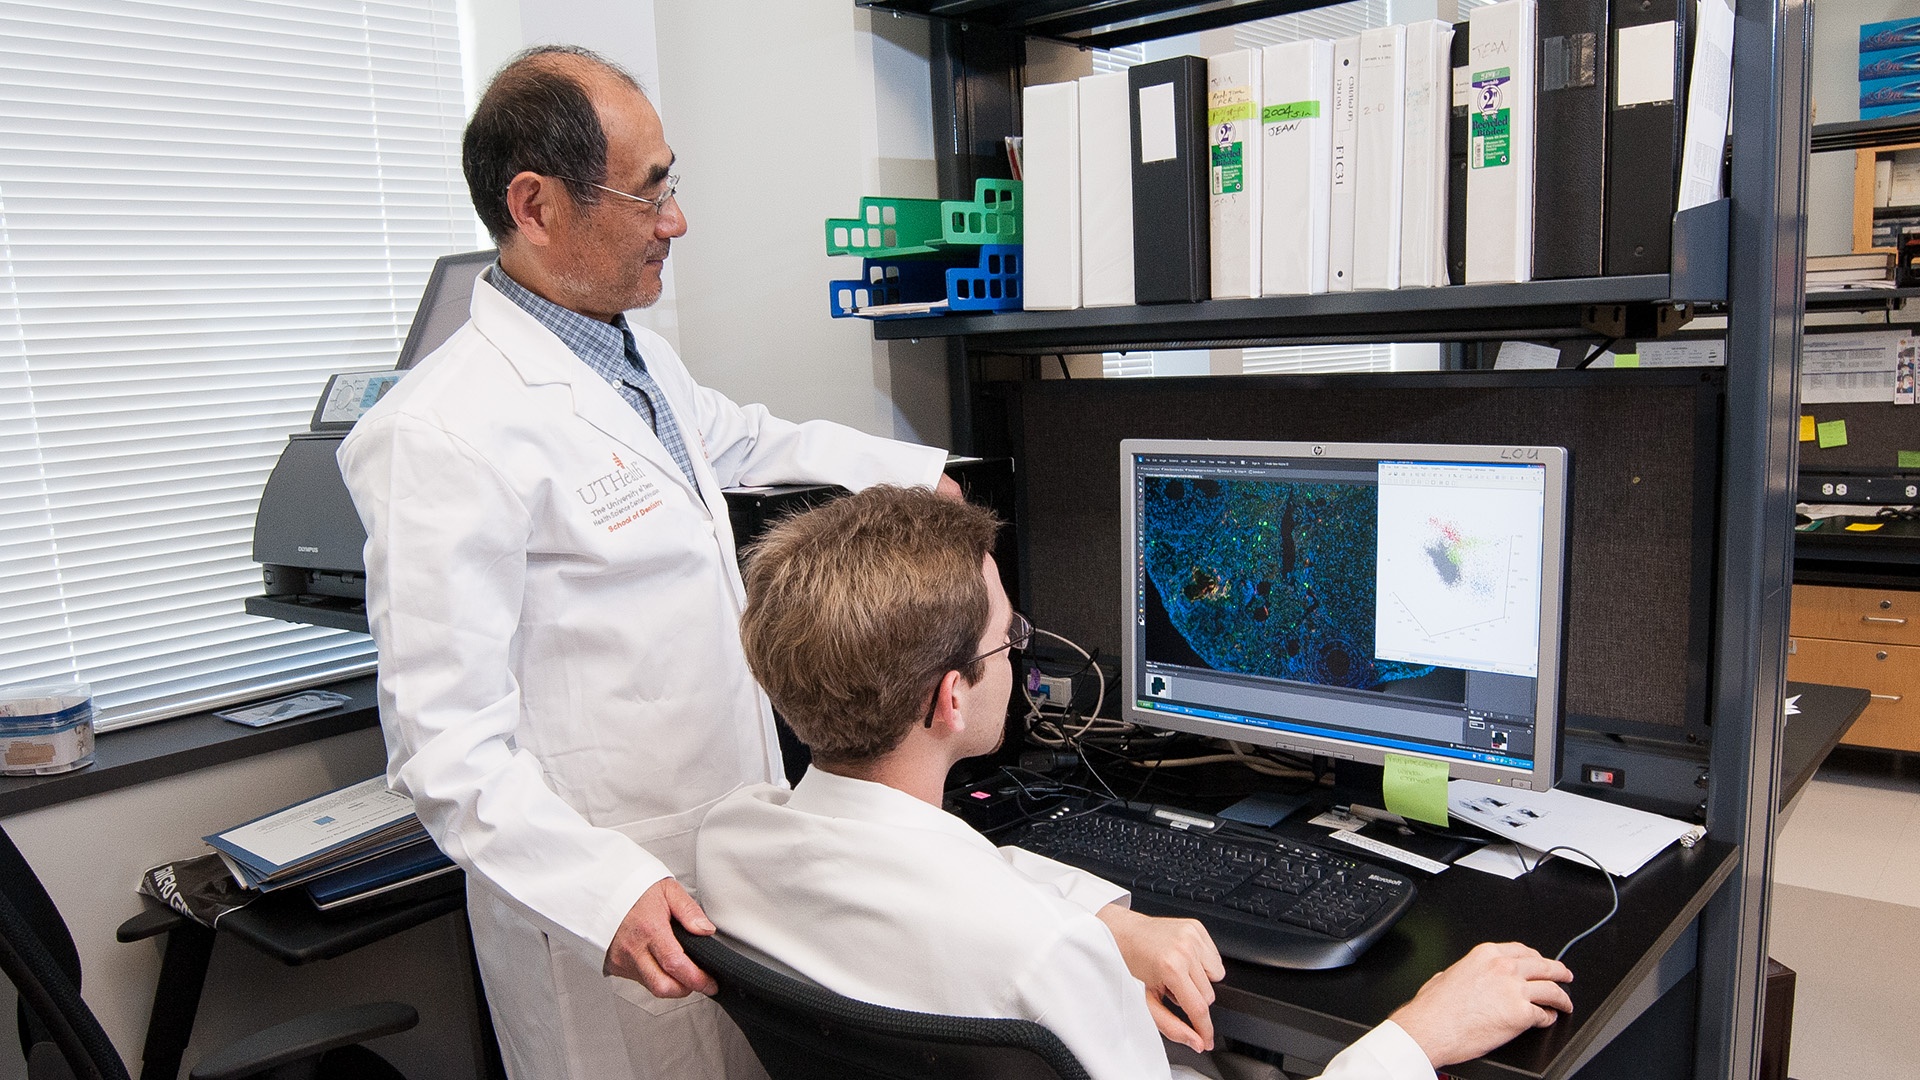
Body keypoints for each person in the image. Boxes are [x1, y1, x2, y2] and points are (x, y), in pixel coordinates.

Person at [336, 45, 955, 1080]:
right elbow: (444, 747)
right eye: (650, 191)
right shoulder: (440, 430)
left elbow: (740, 438)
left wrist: (915, 476)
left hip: (727, 854)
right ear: (535, 206)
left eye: (673, 182)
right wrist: (599, 893)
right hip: (601, 904)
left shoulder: (625, 350)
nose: (676, 220)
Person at [698, 486, 1576, 1080]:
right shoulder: (1045, 961)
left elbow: (929, 869)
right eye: (1010, 639)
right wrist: (1416, 1036)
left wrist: (1113, 920)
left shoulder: (730, 842)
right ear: (951, 697)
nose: (1021, 651)